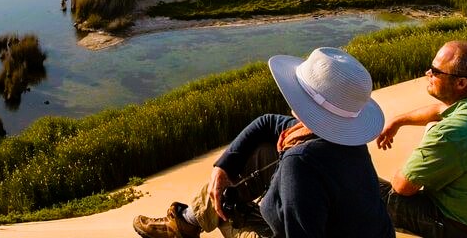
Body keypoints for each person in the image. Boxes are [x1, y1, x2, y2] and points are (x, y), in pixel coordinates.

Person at [133, 47, 394, 238]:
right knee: (263, 150)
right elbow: (267, 122)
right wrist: (223, 167)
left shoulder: (301, 163)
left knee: (225, 205)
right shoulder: (338, 141)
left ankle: (186, 224)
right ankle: (187, 222)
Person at [376, 41, 467, 237]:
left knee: (369, 189)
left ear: (461, 83)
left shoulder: (453, 132)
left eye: (435, 71)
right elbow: (441, 110)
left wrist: (424, 150)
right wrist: (398, 121)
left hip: (465, 228)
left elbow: (402, 187)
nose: (427, 74)